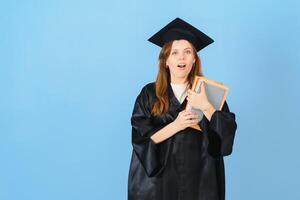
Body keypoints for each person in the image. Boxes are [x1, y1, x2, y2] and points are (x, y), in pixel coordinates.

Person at [128, 18, 237, 200]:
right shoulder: (149, 93)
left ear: (194, 59)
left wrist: (206, 106)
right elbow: (140, 138)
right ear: (166, 61)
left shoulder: (210, 93)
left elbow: (225, 139)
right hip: (159, 184)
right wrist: (176, 125)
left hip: (201, 181)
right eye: (174, 53)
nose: (181, 58)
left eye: (187, 52)